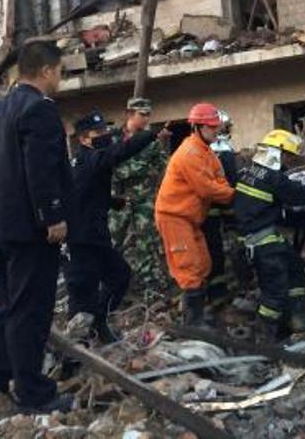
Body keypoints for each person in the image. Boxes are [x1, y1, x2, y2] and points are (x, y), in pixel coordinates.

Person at [0, 40, 73, 413]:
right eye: (60, 72)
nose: (60, 79)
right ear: (46, 71)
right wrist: (54, 216)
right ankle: (33, 392)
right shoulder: (40, 110)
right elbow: (40, 170)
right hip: (30, 228)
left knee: (6, 302)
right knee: (30, 309)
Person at [65, 110, 168, 342]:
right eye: (97, 132)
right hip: (82, 239)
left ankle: (99, 322)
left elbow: (85, 193)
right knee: (83, 294)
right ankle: (76, 351)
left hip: (95, 235)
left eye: (104, 130)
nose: (104, 135)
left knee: (119, 275)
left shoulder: (88, 160)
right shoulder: (89, 158)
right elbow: (119, 152)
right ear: (83, 139)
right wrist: (148, 134)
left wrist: (115, 201)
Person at [233, 129, 305, 342]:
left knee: (295, 269)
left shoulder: (249, 171)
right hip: (263, 243)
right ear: (279, 153)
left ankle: (297, 317)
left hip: (256, 238)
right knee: (274, 293)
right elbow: (297, 196)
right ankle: (264, 338)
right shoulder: (275, 178)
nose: (289, 161)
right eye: (288, 156)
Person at [154, 103, 236, 327]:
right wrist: (237, 196)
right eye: (211, 127)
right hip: (174, 217)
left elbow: (219, 181)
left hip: (189, 218)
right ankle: (193, 322)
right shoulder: (190, 153)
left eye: (216, 127)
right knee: (189, 267)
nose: (216, 131)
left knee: (202, 264)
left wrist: (230, 192)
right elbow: (207, 189)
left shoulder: (206, 152)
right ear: (197, 127)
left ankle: (199, 314)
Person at [110, 98, 170, 293]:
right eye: (141, 114)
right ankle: (109, 282)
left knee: (148, 241)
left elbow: (164, 166)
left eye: (148, 115)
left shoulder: (150, 141)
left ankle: (150, 284)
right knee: (112, 239)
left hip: (144, 197)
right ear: (129, 114)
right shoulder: (113, 138)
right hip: (118, 197)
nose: (145, 119)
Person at [206, 110, 238, 308]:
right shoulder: (224, 151)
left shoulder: (205, 150)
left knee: (211, 252)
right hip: (221, 212)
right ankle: (220, 294)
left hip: (206, 212)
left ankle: (214, 292)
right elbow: (230, 184)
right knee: (221, 253)